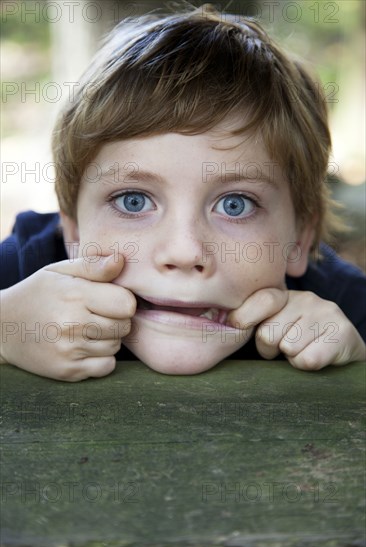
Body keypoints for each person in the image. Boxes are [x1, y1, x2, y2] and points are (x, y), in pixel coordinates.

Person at [0, 5, 365, 381]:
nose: (185, 252)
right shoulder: (26, 272)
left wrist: (357, 360)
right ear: (73, 230)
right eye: (134, 201)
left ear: (299, 239)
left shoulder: (338, 300)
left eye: (234, 205)